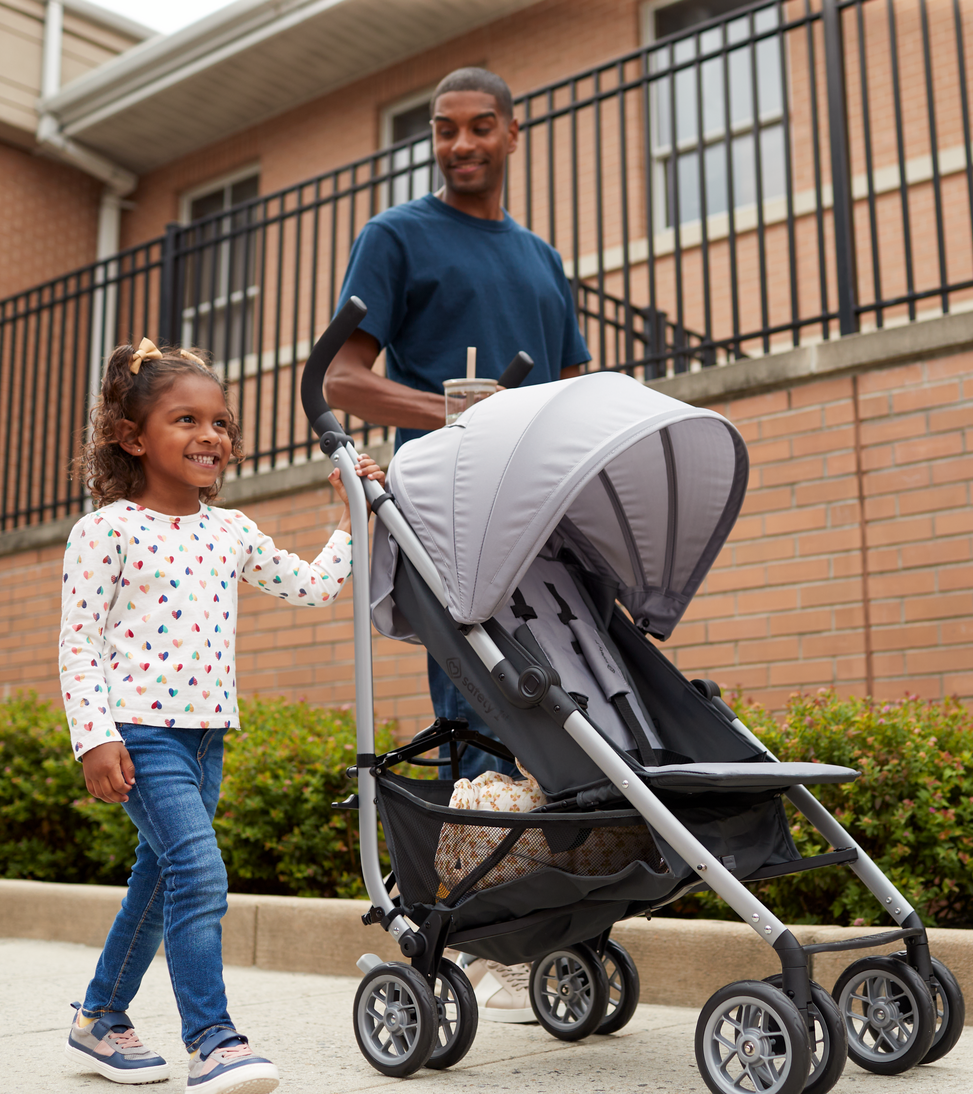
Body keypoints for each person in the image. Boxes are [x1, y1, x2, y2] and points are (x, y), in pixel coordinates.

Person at [322, 65, 587, 1023]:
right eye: (444, 131)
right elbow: (346, 382)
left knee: (562, 713)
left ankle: (546, 926)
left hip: (540, 516)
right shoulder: (396, 236)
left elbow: (571, 385)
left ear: (513, 134)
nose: (462, 145)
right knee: (473, 709)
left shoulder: (541, 260)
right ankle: (468, 938)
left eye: (480, 128)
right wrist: (450, 406)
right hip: (449, 508)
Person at [59, 337, 383, 1090]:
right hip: (138, 732)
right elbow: (78, 644)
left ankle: (100, 1017)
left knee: (160, 878)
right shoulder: (104, 530)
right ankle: (214, 1040)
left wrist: (349, 517)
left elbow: (309, 588)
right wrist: (94, 737)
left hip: (207, 737)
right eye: (185, 420)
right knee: (199, 873)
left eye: (221, 423)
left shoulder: (229, 530)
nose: (211, 436)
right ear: (131, 437)